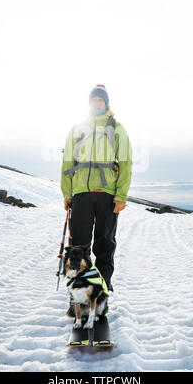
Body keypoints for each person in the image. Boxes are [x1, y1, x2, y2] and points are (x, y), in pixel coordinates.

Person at [60, 84, 132, 292]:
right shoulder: (77, 128)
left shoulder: (117, 128)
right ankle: (81, 287)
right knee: (79, 246)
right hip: (81, 194)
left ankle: (101, 287)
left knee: (104, 244)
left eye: (100, 100)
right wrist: (67, 193)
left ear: (106, 103)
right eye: (93, 100)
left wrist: (121, 196)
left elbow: (126, 164)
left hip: (107, 195)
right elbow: (67, 163)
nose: (96, 103)